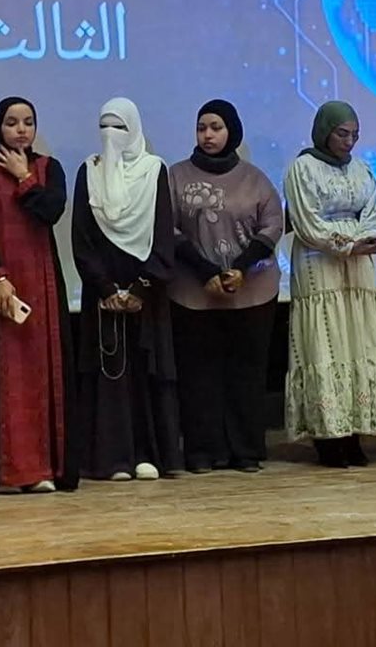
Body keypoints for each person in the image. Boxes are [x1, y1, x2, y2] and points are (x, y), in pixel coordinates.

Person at [0, 97, 77, 493]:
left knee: (41, 373)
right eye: (12, 122)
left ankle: (44, 469)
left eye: (28, 122)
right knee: (2, 376)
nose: (21, 130)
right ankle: (4, 473)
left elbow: (52, 211)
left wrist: (24, 177)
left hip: (41, 285)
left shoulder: (49, 168)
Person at [283, 100, 376, 467]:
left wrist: (366, 240)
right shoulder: (302, 168)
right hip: (320, 264)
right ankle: (327, 435)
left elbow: (373, 212)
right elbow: (306, 220)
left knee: (357, 339)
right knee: (326, 339)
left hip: (359, 266)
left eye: (354, 135)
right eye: (341, 134)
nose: (349, 141)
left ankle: (355, 432)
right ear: (324, 132)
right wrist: (346, 244)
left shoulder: (362, 169)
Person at [169, 99, 283, 473]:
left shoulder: (255, 178)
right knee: (198, 376)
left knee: (245, 375)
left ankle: (245, 450)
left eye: (216, 128)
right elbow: (167, 228)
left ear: (232, 131)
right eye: (202, 127)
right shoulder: (176, 177)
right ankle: (203, 451)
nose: (208, 135)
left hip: (251, 291)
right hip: (194, 293)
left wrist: (240, 268)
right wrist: (206, 273)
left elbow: (272, 225)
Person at [72, 98, 182, 481]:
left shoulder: (154, 170)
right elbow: (82, 238)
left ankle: (147, 454)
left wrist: (140, 288)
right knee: (108, 372)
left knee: (144, 370)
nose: (111, 135)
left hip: (145, 294)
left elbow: (163, 235)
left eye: (119, 127)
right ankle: (112, 458)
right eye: (104, 126)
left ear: (134, 129)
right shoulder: (89, 171)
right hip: (102, 293)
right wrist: (105, 288)